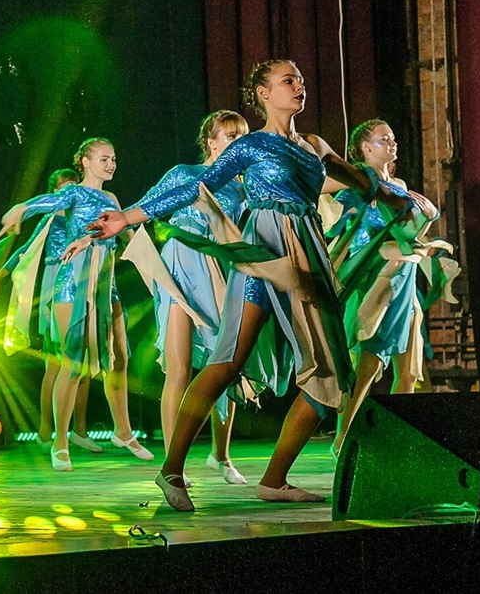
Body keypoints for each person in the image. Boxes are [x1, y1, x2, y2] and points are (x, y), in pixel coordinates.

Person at [88, 59, 411, 511]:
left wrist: (397, 196)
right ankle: (171, 470)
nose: (299, 85)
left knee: (331, 372)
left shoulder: (314, 145)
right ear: (263, 93)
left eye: (300, 79)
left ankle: (274, 479)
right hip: (263, 250)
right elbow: (197, 186)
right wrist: (128, 216)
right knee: (227, 361)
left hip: (307, 252)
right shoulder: (251, 145)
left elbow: (360, 180)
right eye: (287, 80)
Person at [0, 138, 153, 472]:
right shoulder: (74, 192)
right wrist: (21, 209)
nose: (110, 164)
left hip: (106, 285)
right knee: (72, 363)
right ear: (84, 161)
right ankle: (60, 441)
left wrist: (150, 255)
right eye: (103, 159)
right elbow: (47, 202)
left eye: (113, 159)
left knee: (119, 358)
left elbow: (126, 234)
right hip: (73, 283)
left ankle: (123, 432)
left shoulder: (111, 199)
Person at [133, 111, 250, 484]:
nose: (238, 143)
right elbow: (144, 206)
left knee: (224, 365)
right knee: (179, 368)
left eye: (242, 136)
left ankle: (221, 455)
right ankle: (173, 467)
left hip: (219, 272)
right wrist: (100, 231)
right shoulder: (184, 173)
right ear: (211, 142)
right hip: (180, 265)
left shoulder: (242, 186)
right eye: (230, 136)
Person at [327, 119, 445, 455]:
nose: (392, 143)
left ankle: (397, 440)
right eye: (383, 139)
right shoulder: (357, 189)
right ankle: (342, 438)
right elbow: (354, 233)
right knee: (369, 363)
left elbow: (409, 234)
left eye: (392, 138)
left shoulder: (400, 185)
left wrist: (427, 242)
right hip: (379, 280)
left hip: (405, 277)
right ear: (366, 148)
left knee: (408, 368)